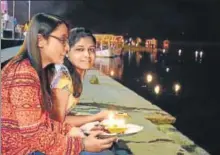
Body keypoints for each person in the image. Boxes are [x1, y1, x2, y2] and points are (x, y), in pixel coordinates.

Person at [1, 13, 116, 155]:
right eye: (62, 40)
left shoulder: (37, 71)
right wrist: (82, 144)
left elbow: (43, 123)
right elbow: (35, 135)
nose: (67, 48)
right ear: (40, 40)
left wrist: (76, 131)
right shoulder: (23, 74)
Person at [50, 27, 132, 155]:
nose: (87, 55)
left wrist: (89, 124)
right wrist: (96, 117)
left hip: (56, 134)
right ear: (67, 51)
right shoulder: (63, 79)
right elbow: (56, 121)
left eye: (91, 50)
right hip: (42, 142)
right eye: (80, 49)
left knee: (115, 145)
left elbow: (63, 116)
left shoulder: (76, 76)